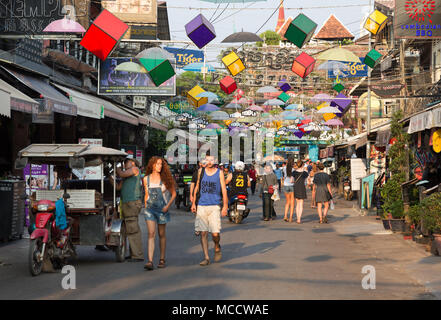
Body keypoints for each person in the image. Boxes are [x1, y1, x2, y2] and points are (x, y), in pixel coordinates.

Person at [191, 155, 228, 266]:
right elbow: (197, 186)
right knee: (203, 233)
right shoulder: (200, 171)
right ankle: (206, 257)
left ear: (215, 161)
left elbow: (223, 189)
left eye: (211, 159)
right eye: (207, 160)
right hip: (202, 205)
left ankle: (217, 246)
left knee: (215, 234)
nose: (209, 162)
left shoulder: (219, 173)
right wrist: (193, 203)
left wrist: (225, 205)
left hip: (215, 205)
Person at [142, 157, 176, 270]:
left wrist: (167, 206)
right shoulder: (145, 179)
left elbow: (174, 194)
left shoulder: (165, 179)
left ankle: (162, 259)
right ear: (152, 165)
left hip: (162, 209)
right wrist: (145, 206)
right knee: (151, 234)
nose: (160, 166)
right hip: (150, 209)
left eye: (161, 164)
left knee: (161, 234)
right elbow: (146, 195)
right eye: (157, 164)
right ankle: (150, 261)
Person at [109, 158, 144, 262]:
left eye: (126, 162)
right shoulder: (127, 175)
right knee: (129, 229)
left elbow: (121, 174)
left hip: (132, 203)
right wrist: (109, 176)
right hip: (126, 203)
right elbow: (117, 187)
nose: (124, 164)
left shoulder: (135, 169)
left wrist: (116, 168)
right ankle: (134, 253)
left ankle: (137, 255)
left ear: (132, 163)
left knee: (133, 229)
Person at [282, 157, 295, 222]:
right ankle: (290, 218)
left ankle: (285, 216)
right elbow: (293, 179)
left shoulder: (284, 168)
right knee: (292, 203)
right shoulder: (293, 169)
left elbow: (284, 176)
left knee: (287, 202)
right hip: (292, 186)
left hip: (285, 185)